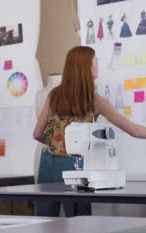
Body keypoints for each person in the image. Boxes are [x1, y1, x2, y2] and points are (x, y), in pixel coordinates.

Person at [33, 46, 146, 217]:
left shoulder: (54, 95)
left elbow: (37, 134)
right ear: (85, 67)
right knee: (79, 223)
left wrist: (57, 145)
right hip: (74, 165)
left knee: (44, 222)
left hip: (47, 163)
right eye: (95, 62)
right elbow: (135, 130)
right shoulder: (96, 101)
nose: (98, 65)